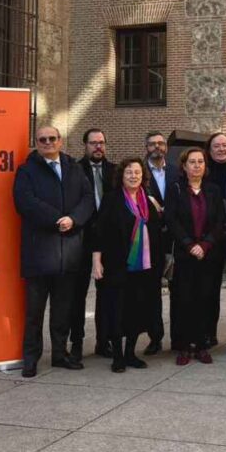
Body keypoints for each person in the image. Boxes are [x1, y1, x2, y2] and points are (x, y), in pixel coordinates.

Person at [13, 125, 94, 378]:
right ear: (36, 143)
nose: (48, 142)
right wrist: (58, 219)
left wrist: (74, 219)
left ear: (60, 141)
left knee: (62, 310)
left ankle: (59, 354)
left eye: (52, 138)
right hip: (39, 254)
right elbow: (24, 202)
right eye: (42, 139)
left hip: (68, 253)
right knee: (34, 312)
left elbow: (88, 198)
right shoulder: (27, 171)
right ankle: (31, 358)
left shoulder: (74, 168)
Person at [91, 158, 165, 372]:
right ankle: (117, 356)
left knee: (137, 310)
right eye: (129, 173)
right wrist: (97, 261)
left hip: (144, 268)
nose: (134, 176)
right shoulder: (111, 199)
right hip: (117, 266)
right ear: (121, 176)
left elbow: (157, 231)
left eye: (137, 172)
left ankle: (131, 353)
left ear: (143, 176)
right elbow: (100, 231)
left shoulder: (149, 201)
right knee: (117, 311)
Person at [166, 147, 226, 365]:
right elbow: (172, 220)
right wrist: (190, 245)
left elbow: (220, 221)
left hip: (208, 255)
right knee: (183, 300)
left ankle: (201, 345)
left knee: (205, 299)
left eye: (201, 161)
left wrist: (206, 244)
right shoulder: (175, 189)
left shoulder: (213, 190)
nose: (197, 165)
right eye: (192, 162)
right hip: (184, 254)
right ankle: (183, 346)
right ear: (184, 166)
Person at [71, 128, 116, 360]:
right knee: (77, 295)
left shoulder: (115, 171)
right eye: (93, 143)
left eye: (101, 142)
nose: (98, 147)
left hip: (107, 241)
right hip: (80, 239)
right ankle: (77, 343)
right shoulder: (75, 170)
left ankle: (103, 341)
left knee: (106, 294)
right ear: (85, 145)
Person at [143, 131, 181, 355]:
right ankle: (155, 337)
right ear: (146, 147)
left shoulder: (177, 171)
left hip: (175, 239)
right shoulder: (140, 172)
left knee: (179, 290)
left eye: (161, 143)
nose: (157, 147)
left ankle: (178, 337)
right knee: (151, 292)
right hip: (150, 239)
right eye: (152, 144)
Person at [203, 132, 226, 348]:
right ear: (209, 149)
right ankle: (209, 332)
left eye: (224, 146)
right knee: (210, 287)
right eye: (216, 146)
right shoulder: (203, 173)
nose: (221, 149)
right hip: (212, 239)